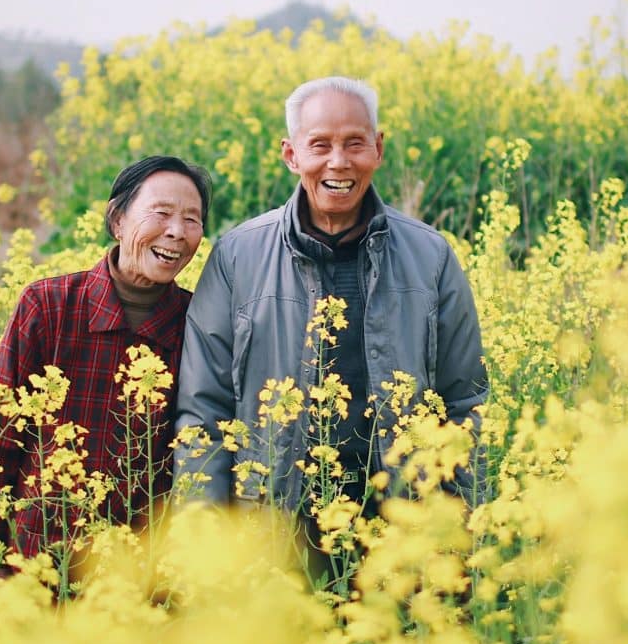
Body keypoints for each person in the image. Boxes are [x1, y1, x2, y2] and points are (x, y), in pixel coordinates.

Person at [173, 76, 489, 524]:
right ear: (291, 154)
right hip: (275, 528)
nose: (338, 163)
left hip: (402, 528)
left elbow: (464, 404)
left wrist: (458, 532)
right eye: (319, 145)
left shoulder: (431, 256)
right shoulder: (236, 257)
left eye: (355, 144)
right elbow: (204, 411)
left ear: (378, 149)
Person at [0, 155, 211, 569]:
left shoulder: (199, 323)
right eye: (161, 213)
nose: (176, 232)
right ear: (117, 220)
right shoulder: (47, 306)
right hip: (35, 566)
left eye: (192, 219)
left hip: (135, 582)